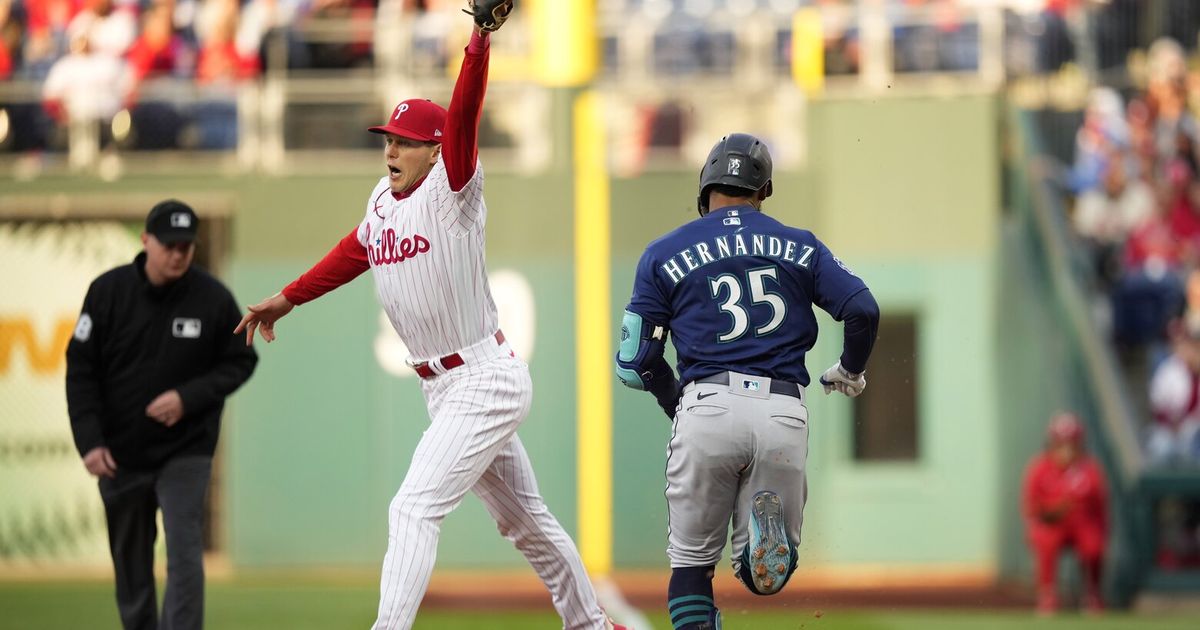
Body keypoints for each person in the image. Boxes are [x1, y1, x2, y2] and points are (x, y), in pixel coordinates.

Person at [232, 3, 627, 629]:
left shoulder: (455, 186)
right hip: (443, 389)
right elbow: (354, 250)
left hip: (482, 377)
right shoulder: (382, 201)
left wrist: (478, 39)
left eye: (404, 143)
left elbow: (465, 113)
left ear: (434, 150)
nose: (390, 151)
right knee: (528, 524)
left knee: (412, 508)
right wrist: (288, 297)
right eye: (387, 140)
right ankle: (594, 626)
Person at [615, 133, 880, 629]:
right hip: (782, 409)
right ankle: (759, 551)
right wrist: (849, 369)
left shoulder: (663, 252)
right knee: (764, 576)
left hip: (707, 402)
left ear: (706, 186)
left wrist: (679, 403)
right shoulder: (800, 244)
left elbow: (635, 362)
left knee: (691, 566)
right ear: (764, 190)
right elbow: (862, 309)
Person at [65, 199, 259, 630]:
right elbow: (80, 370)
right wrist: (90, 441)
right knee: (131, 561)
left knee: (185, 552)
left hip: (186, 449)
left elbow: (240, 361)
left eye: (186, 246)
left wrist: (187, 398)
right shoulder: (107, 293)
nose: (177, 254)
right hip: (120, 452)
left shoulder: (212, 298)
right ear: (146, 241)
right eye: (168, 244)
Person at [1022, 412, 1109, 615]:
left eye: (1071, 443)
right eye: (1060, 443)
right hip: (1053, 524)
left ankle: (1093, 595)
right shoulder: (1040, 468)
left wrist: (1100, 532)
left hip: (1083, 524)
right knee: (1044, 540)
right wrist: (1054, 510)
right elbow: (1031, 508)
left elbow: (1100, 509)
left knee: (1093, 545)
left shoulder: (1089, 469)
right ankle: (1047, 595)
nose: (1066, 449)